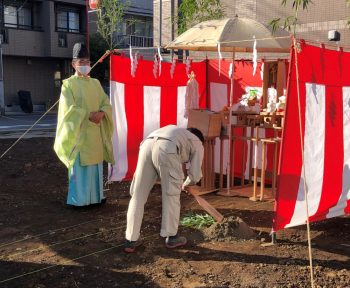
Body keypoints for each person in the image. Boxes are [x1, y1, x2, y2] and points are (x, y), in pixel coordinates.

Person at [124, 125, 204, 253]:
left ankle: (130, 240)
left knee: (137, 196)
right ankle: (172, 237)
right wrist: (187, 184)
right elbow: (195, 174)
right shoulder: (197, 142)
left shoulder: (179, 133)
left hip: (146, 145)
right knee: (171, 195)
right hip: (167, 148)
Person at [54, 42, 114, 207]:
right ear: (74, 64)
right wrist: (88, 115)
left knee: (95, 167)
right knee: (80, 170)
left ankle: (95, 198)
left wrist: (102, 113)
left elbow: (106, 102)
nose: (85, 65)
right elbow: (68, 109)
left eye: (87, 62)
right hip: (80, 134)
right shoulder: (68, 84)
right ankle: (78, 200)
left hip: (94, 132)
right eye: (81, 62)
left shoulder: (95, 83)